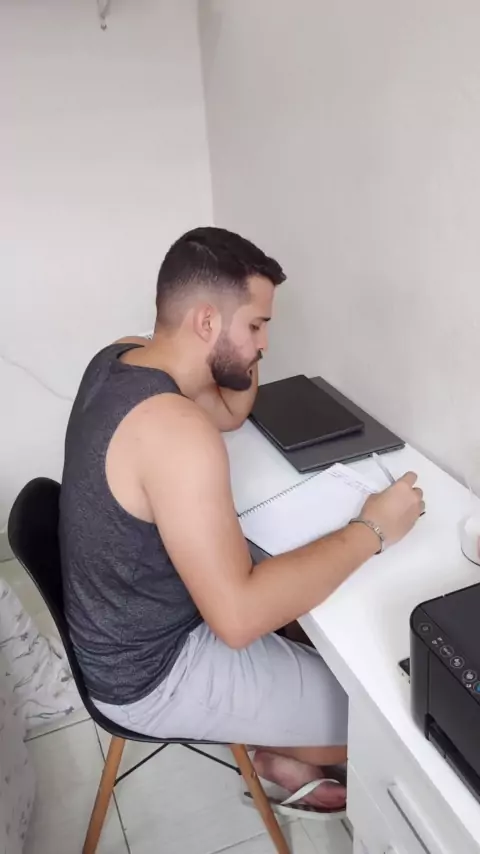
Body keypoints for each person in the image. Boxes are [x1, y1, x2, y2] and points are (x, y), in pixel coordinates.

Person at [59, 227, 424, 817]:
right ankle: (273, 753)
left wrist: (241, 351)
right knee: (381, 718)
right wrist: (373, 530)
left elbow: (229, 411)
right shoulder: (176, 433)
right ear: (206, 321)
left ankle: (279, 744)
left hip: (128, 623)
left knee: (312, 619)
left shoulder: (121, 356)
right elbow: (238, 618)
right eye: (256, 326)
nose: (265, 344)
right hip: (152, 672)